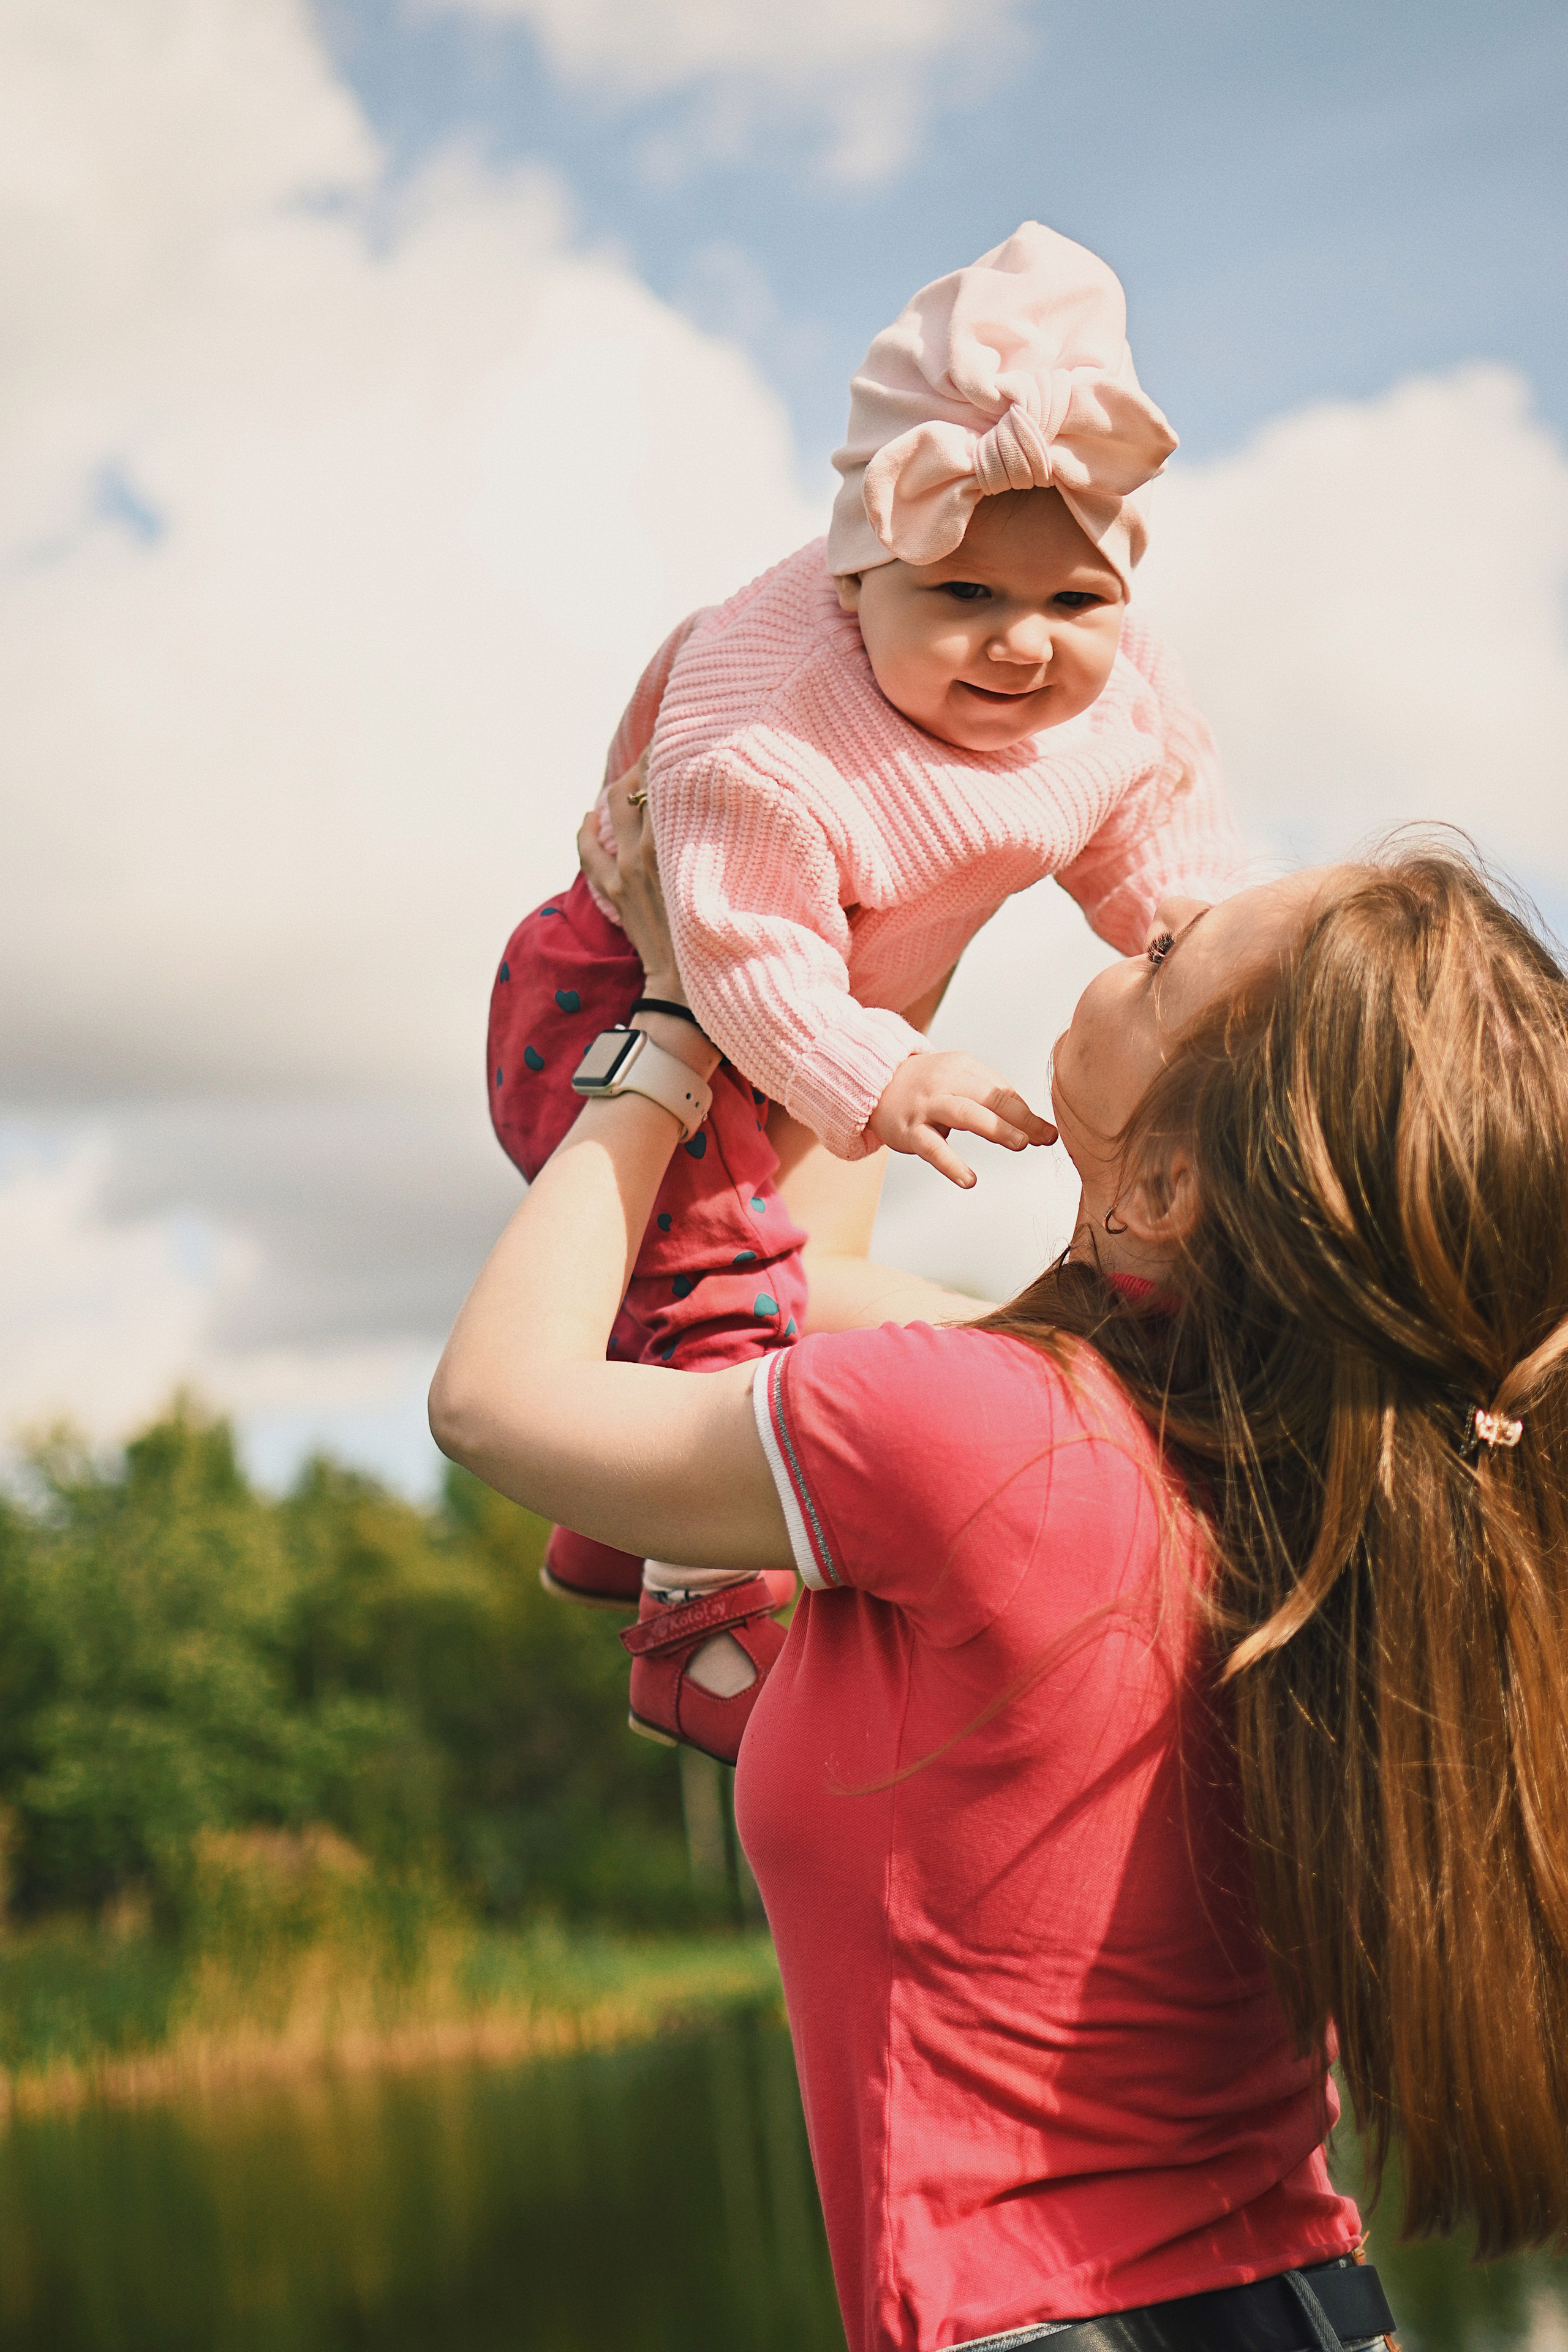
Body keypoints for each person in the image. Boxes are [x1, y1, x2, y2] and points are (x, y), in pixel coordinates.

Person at [432, 782, 1568, 2351]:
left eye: (1162, 959)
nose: (1145, 923)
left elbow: (497, 1401)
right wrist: (863, 929)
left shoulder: (983, 1433)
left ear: (1164, 1186)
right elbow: (802, 1280)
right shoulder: (1291, 1480)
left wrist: (675, 1027)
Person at [486, 222, 1245, 1736]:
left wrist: (1215, 969)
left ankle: (608, 1523)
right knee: (718, 1277)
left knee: (775, 1282)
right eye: (962, 598)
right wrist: (879, 1069)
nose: (1022, 645)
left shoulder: (1114, 688)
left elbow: (1157, 832)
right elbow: (741, 958)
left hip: (841, 988)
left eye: (1073, 604)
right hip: (644, 990)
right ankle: (694, 1635)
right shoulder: (763, 728)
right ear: (856, 580)